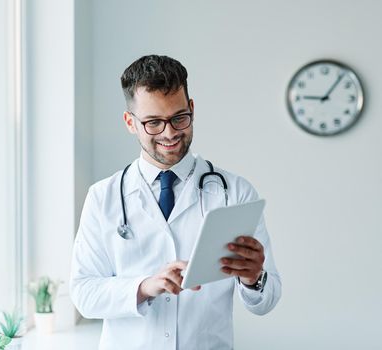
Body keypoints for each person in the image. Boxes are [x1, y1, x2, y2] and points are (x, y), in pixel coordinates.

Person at [70, 54, 281, 350]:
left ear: (192, 109)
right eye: (153, 122)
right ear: (130, 122)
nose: (170, 133)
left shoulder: (234, 192)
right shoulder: (102, 197)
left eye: (179, 118)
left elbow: (266, 301)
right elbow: (84, 294)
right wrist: (144, 287)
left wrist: (254, 277)